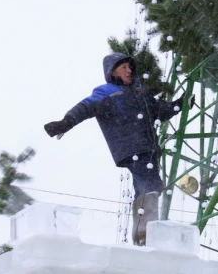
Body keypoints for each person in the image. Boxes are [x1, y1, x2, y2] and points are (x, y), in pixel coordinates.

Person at [43, 52, 194, 246]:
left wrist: (179, 105)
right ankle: (146, 235)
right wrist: (66, 122)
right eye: (123, 67)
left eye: (130, 67)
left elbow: (158, 112)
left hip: (147, 147)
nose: (129, 70)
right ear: (111, 71)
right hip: (131, 146)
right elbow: (85, 108)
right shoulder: (106, 92)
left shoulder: (140, 92)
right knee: (151, 184)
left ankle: (144, 234)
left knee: (147, 185)